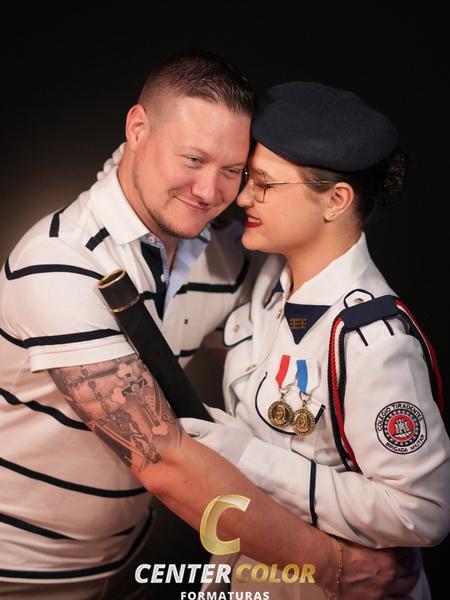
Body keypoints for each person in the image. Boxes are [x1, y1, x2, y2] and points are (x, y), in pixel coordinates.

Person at [0, 49, 418, 600]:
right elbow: (164, 461)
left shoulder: (230, 255)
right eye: (193, 159)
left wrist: (372, 508)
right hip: (23, 573)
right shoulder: (58, 264)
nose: (211, 192)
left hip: (125, 562)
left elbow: (289, 379)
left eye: (232, 171)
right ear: (138, 128)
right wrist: (333, 565)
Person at [181, 81, 450, 599]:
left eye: (264, 184)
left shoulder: (371, 339)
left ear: (336, 200)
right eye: (248, 178)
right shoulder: (267, 278)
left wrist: (250, 458)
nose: (243, 197)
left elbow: (424, 511)